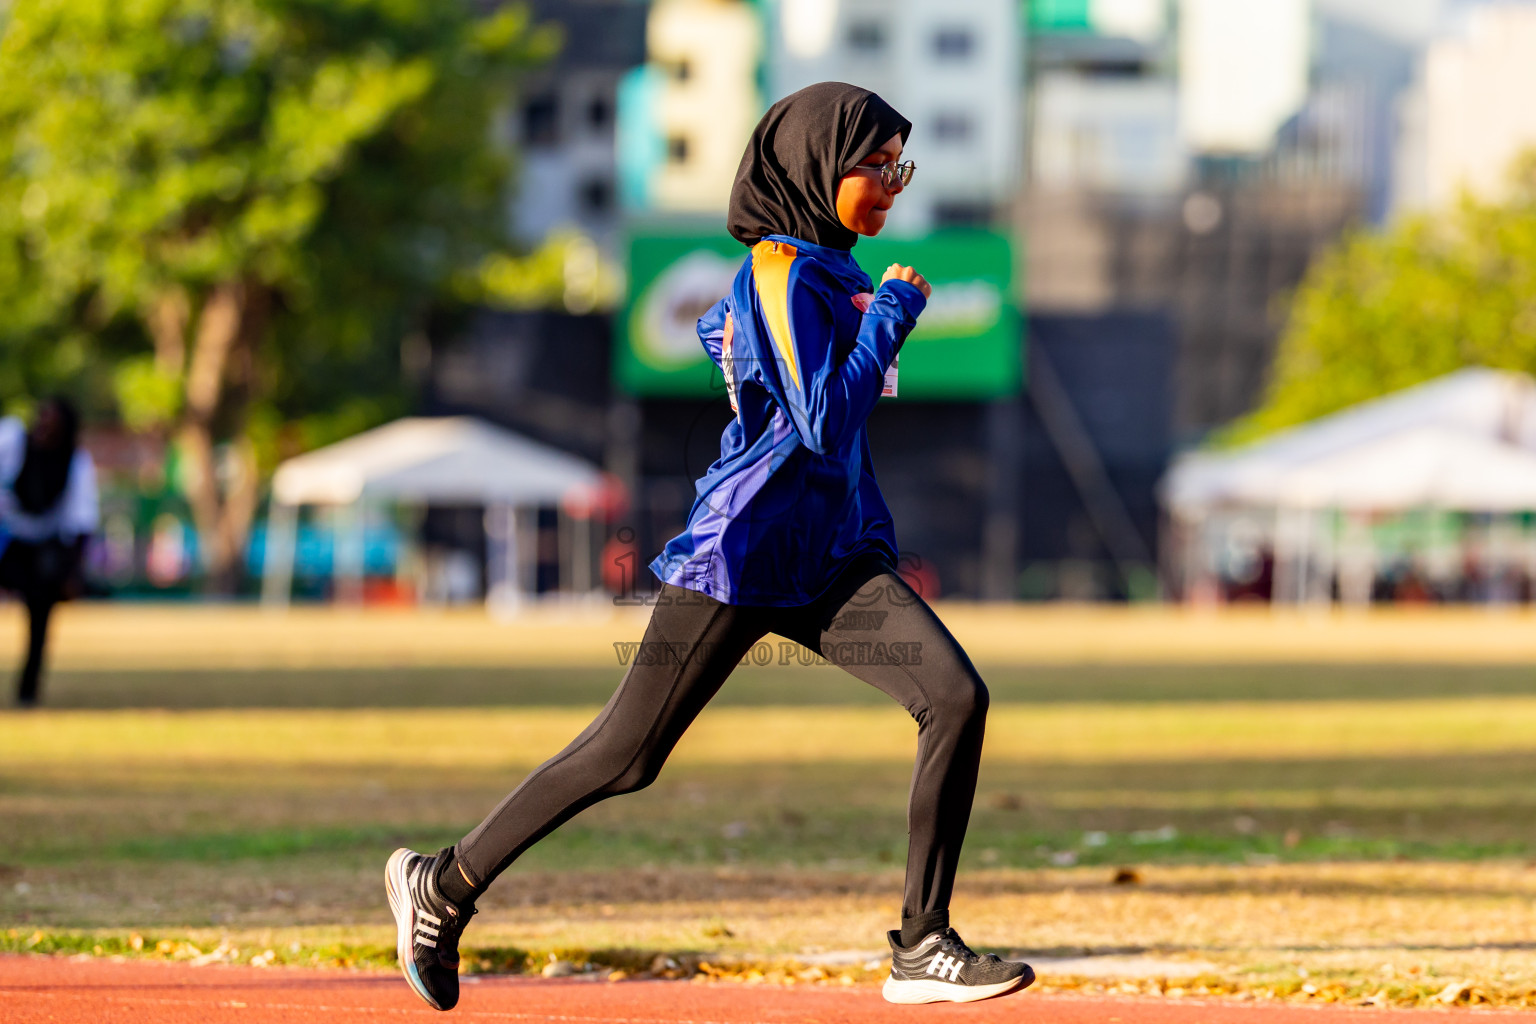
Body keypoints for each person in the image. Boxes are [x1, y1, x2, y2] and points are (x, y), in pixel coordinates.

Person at [385, 82, 1034, 1010]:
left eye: (903, 165)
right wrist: (889, 318)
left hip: (828, 555)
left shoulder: (827, 270)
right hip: (743, 552)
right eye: (878, 165)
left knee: (956, 698)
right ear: (819, 163)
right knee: (626, 755)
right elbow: (821, 421)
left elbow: (776, 375)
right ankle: (441, 887)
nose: (894, 183)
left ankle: (922, 944)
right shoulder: (783, 271)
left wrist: (765, 341)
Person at [0, 397, 98, 708]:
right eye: (42, 419)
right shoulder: (13, 440)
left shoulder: (76, 463)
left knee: (40, 613)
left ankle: (28, 690)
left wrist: (72, 573)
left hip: (42, 543)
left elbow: (82, 521)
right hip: (6, 536)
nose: (44, 428)